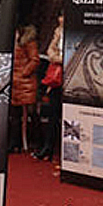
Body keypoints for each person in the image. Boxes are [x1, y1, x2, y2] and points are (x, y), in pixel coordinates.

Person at [34, 13, 63, 161]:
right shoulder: (58, 31)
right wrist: (57, 58)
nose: (60, 19)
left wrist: (58, 59)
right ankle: (48, 147)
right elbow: (50, 50)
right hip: (57, 79)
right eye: (60, 16)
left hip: (71, 77)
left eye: (63, 16)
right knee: (53, 113)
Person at [10, 24, 39, 152]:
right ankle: (15, 143)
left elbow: (34, 60)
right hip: (15, 82)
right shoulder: (13, 40)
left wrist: (23, 73)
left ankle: (35, 141)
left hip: (26, 83)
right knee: (15, 114)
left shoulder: (28, 41)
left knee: (31, 113)